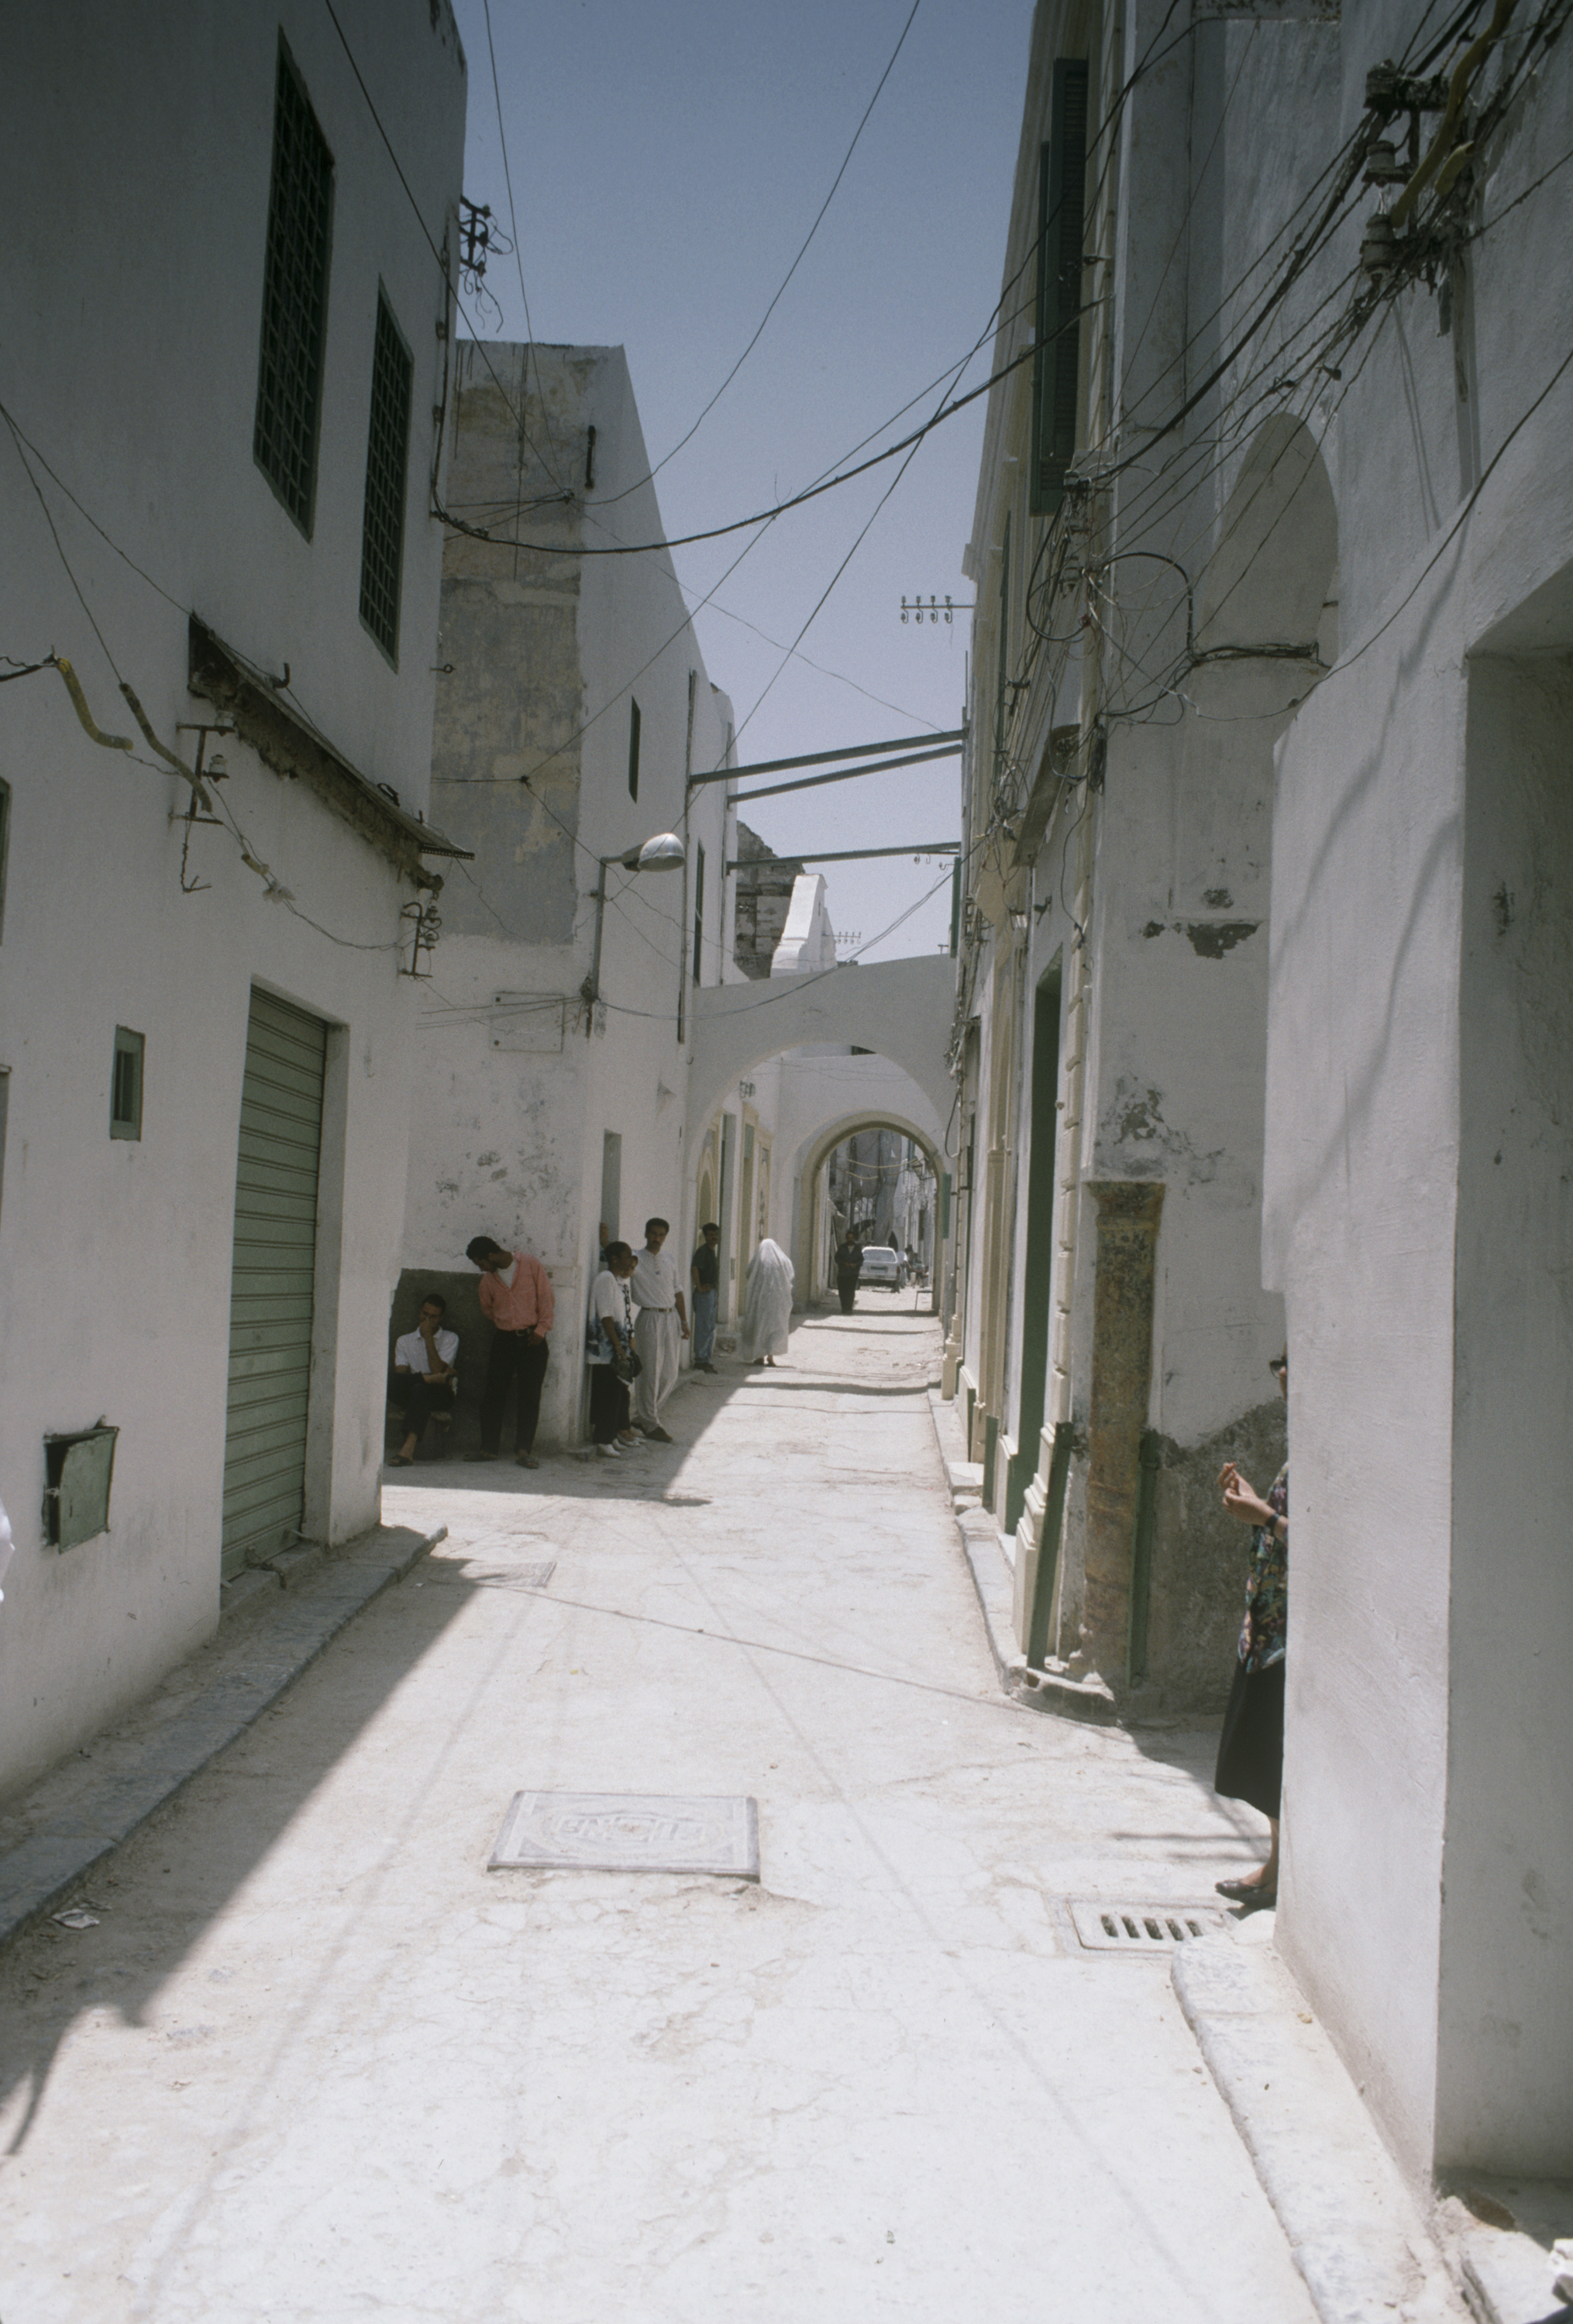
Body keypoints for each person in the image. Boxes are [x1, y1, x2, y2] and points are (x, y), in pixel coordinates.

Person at [1213, 1352, 1290, 1908]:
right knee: (1263, 1756)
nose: (1283, 1373)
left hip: (1288, 1636)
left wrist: (1262, 1515)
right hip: (1265, 1629)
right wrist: (1254, 1502)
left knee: (1272, 1757)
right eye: (1279, 1362)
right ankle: (1277, 1867)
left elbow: (1322, 1543)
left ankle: (1280, 1872)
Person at [466, 1234, 555, 1468]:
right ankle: (489, 1449)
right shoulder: (487, 1281)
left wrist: (541, 1330)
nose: (481, 1269)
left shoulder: (530, 1265)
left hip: (533, 1340)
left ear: (491, 1255)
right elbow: (487, 1309)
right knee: (493, 1393)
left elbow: (546, 1298)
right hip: (504, 1341)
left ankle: (523, 1450)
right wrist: (506, 1324)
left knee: (529, 1395)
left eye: (481, 1263)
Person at [630, 1217, 688, 1442]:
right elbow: (616, 1256)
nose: (657, 1238)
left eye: (661, 1234)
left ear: (665, 1236)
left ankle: (642, 1417)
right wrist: (605, 1242)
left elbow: (678, 1291)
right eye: (653, 1233)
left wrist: (684, 1321)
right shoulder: (635, 1257)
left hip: (670, 1317)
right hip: (649, 1317)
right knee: (650, 1371)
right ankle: (651, 1422)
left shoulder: (669, 1258)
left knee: (670, 1373)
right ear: (646, 1234)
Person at [586, 1241, 644, 1458]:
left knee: (618, 1395)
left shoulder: (616, 1281)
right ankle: (603, 1440)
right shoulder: (605, 1279)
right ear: (615, 1259)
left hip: (616, 1350)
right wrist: (618, 1346)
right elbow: (606, 1317)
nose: (630, 1260)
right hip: (606, 1351)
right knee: (608, 1396)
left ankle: (611, 1436)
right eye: (627, 1256)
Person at [388, 1294, 459, 1465]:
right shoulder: (404, 1341)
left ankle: (407, 1451)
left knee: (421, 1388)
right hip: (414, 1391)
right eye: (425, 1314)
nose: (427, 1319)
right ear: (420, 1311)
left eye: (433, 1316)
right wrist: (432, 1378)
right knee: (390, 1380)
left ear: (440, 1318)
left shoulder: (450, 1338)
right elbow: (401, 1377)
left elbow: (437, 1369)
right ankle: (428, 1380)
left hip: (441, 1394)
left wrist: (428, 1337)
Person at [742, 1237, 794, 1366]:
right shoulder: (783, 1260)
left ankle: (759, 1356)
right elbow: (791, 1274)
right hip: (778, 1300)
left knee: (760, 1326)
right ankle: (771, 1356)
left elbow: (748, 1272)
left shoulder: (759, 1259)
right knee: (775, 1327)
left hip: (760, 1300)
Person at [690, 1222, 721, 1371]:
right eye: (711, 1235)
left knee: (710, 1328)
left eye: (716, 1234)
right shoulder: (703, 1251)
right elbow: (695, 1268)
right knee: (703, 1328)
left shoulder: (712, 1252)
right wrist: (700, 1286)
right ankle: (700, 1360)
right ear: (705, 1236)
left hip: (712, 1293)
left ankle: (706, 1360)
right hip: (704, 1294)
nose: (714, 1237)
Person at [834, 1234, 861, 1315]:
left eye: (852, 1238)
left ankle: (849, 1308)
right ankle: (844, 1308)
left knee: (851, 1292)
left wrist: (856, 1264)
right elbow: (837, 1258)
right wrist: (843, 1263)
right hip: (842, 1274)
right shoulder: (842, 1248)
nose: (850, 1240)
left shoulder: (857, 1248)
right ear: (846, 1239)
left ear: (854, 1238)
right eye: (848, 1238)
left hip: (853, 1274)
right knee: (842, 1292)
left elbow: (861, 1260)